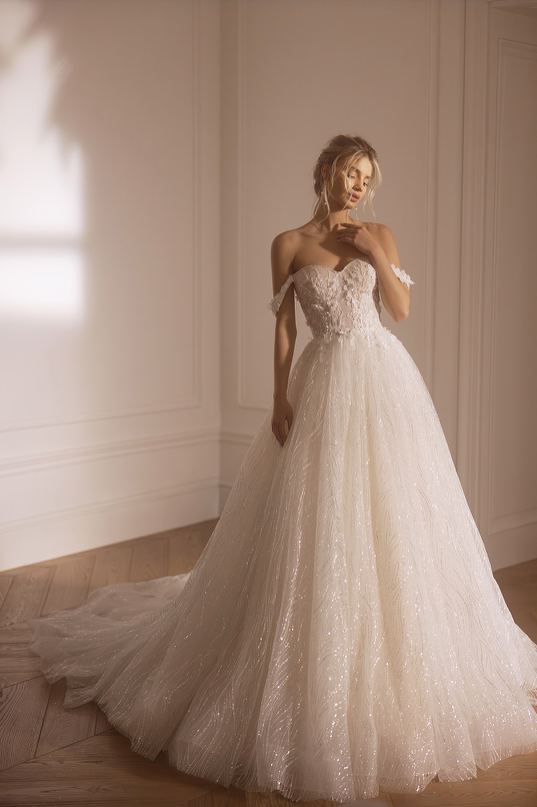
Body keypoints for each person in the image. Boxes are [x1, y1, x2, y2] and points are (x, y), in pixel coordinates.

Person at [28, 134, 537, 803]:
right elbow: (285, 328)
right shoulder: (287, 244)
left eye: (367, 177)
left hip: (383, 386)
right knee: (315, 523)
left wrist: (377, 255)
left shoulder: (378, 232)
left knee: (395, 518)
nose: (358, 185)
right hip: (320, 384)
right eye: (349, 173)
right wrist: (276, 394)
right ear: (325, 171)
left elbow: (401, 311)